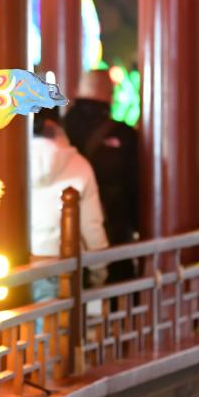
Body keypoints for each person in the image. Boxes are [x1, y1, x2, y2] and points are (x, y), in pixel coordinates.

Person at [63, 70, 138, 282]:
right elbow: (135, 187)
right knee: (117, 285)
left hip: (62, 237)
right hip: (113, 229)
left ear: (78, 91)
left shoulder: (60, 131)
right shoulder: (124, 135)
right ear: (109, 94)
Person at [32, 108, 109, 301]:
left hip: (13, 265)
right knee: (56, 318)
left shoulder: (8, 160)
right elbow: (91, 224)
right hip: (61, 264)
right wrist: (99, 267)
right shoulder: (79, 164)